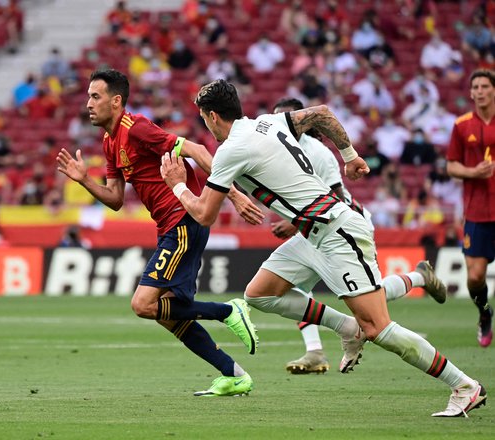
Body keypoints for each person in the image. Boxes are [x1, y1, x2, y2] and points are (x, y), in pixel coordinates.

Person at [160, 79, 486, 416]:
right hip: (312, 233)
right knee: (260, 293)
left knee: (378, 327)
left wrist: (178, 185)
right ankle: (347, 327)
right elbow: (322, 114)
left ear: (212, 116)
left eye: (203, 118)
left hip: (336, 231)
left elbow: (204, 214)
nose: (205, 125)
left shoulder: (231, 149)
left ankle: (464, 385)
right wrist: (350, 155)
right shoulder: (268, 122)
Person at [57, 69, 263, 396]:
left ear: (116, 100)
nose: (88, 104)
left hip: (182, 220)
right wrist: (84, 180)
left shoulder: (135, 128)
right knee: (167, 313)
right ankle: (233, 374)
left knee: (143, 304)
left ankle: (228, 311)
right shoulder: (110, 142)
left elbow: (196, 150)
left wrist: (233, 195)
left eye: (95, 97)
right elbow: (115, 199)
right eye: (88, 97)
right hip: (171, 226)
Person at [269, 98, 446, 374]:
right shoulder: (280, 151)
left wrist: (294, 224)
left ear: (302, 121)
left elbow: (337, 198)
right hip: (316, 229)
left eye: (287, 119)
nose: (280, 126)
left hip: (345, 228)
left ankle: (419, 278)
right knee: (293, 289)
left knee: (368, 300)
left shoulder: (318, 153)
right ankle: (315, 351)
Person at [446, 69, 495, 348]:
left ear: (493, 90)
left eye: (485, 86)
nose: (479, 90)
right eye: (475, 86)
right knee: (474, 277)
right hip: (477, 212)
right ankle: (484, 313)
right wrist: (473, 172)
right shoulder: (462, 125)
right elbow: (451, 165)